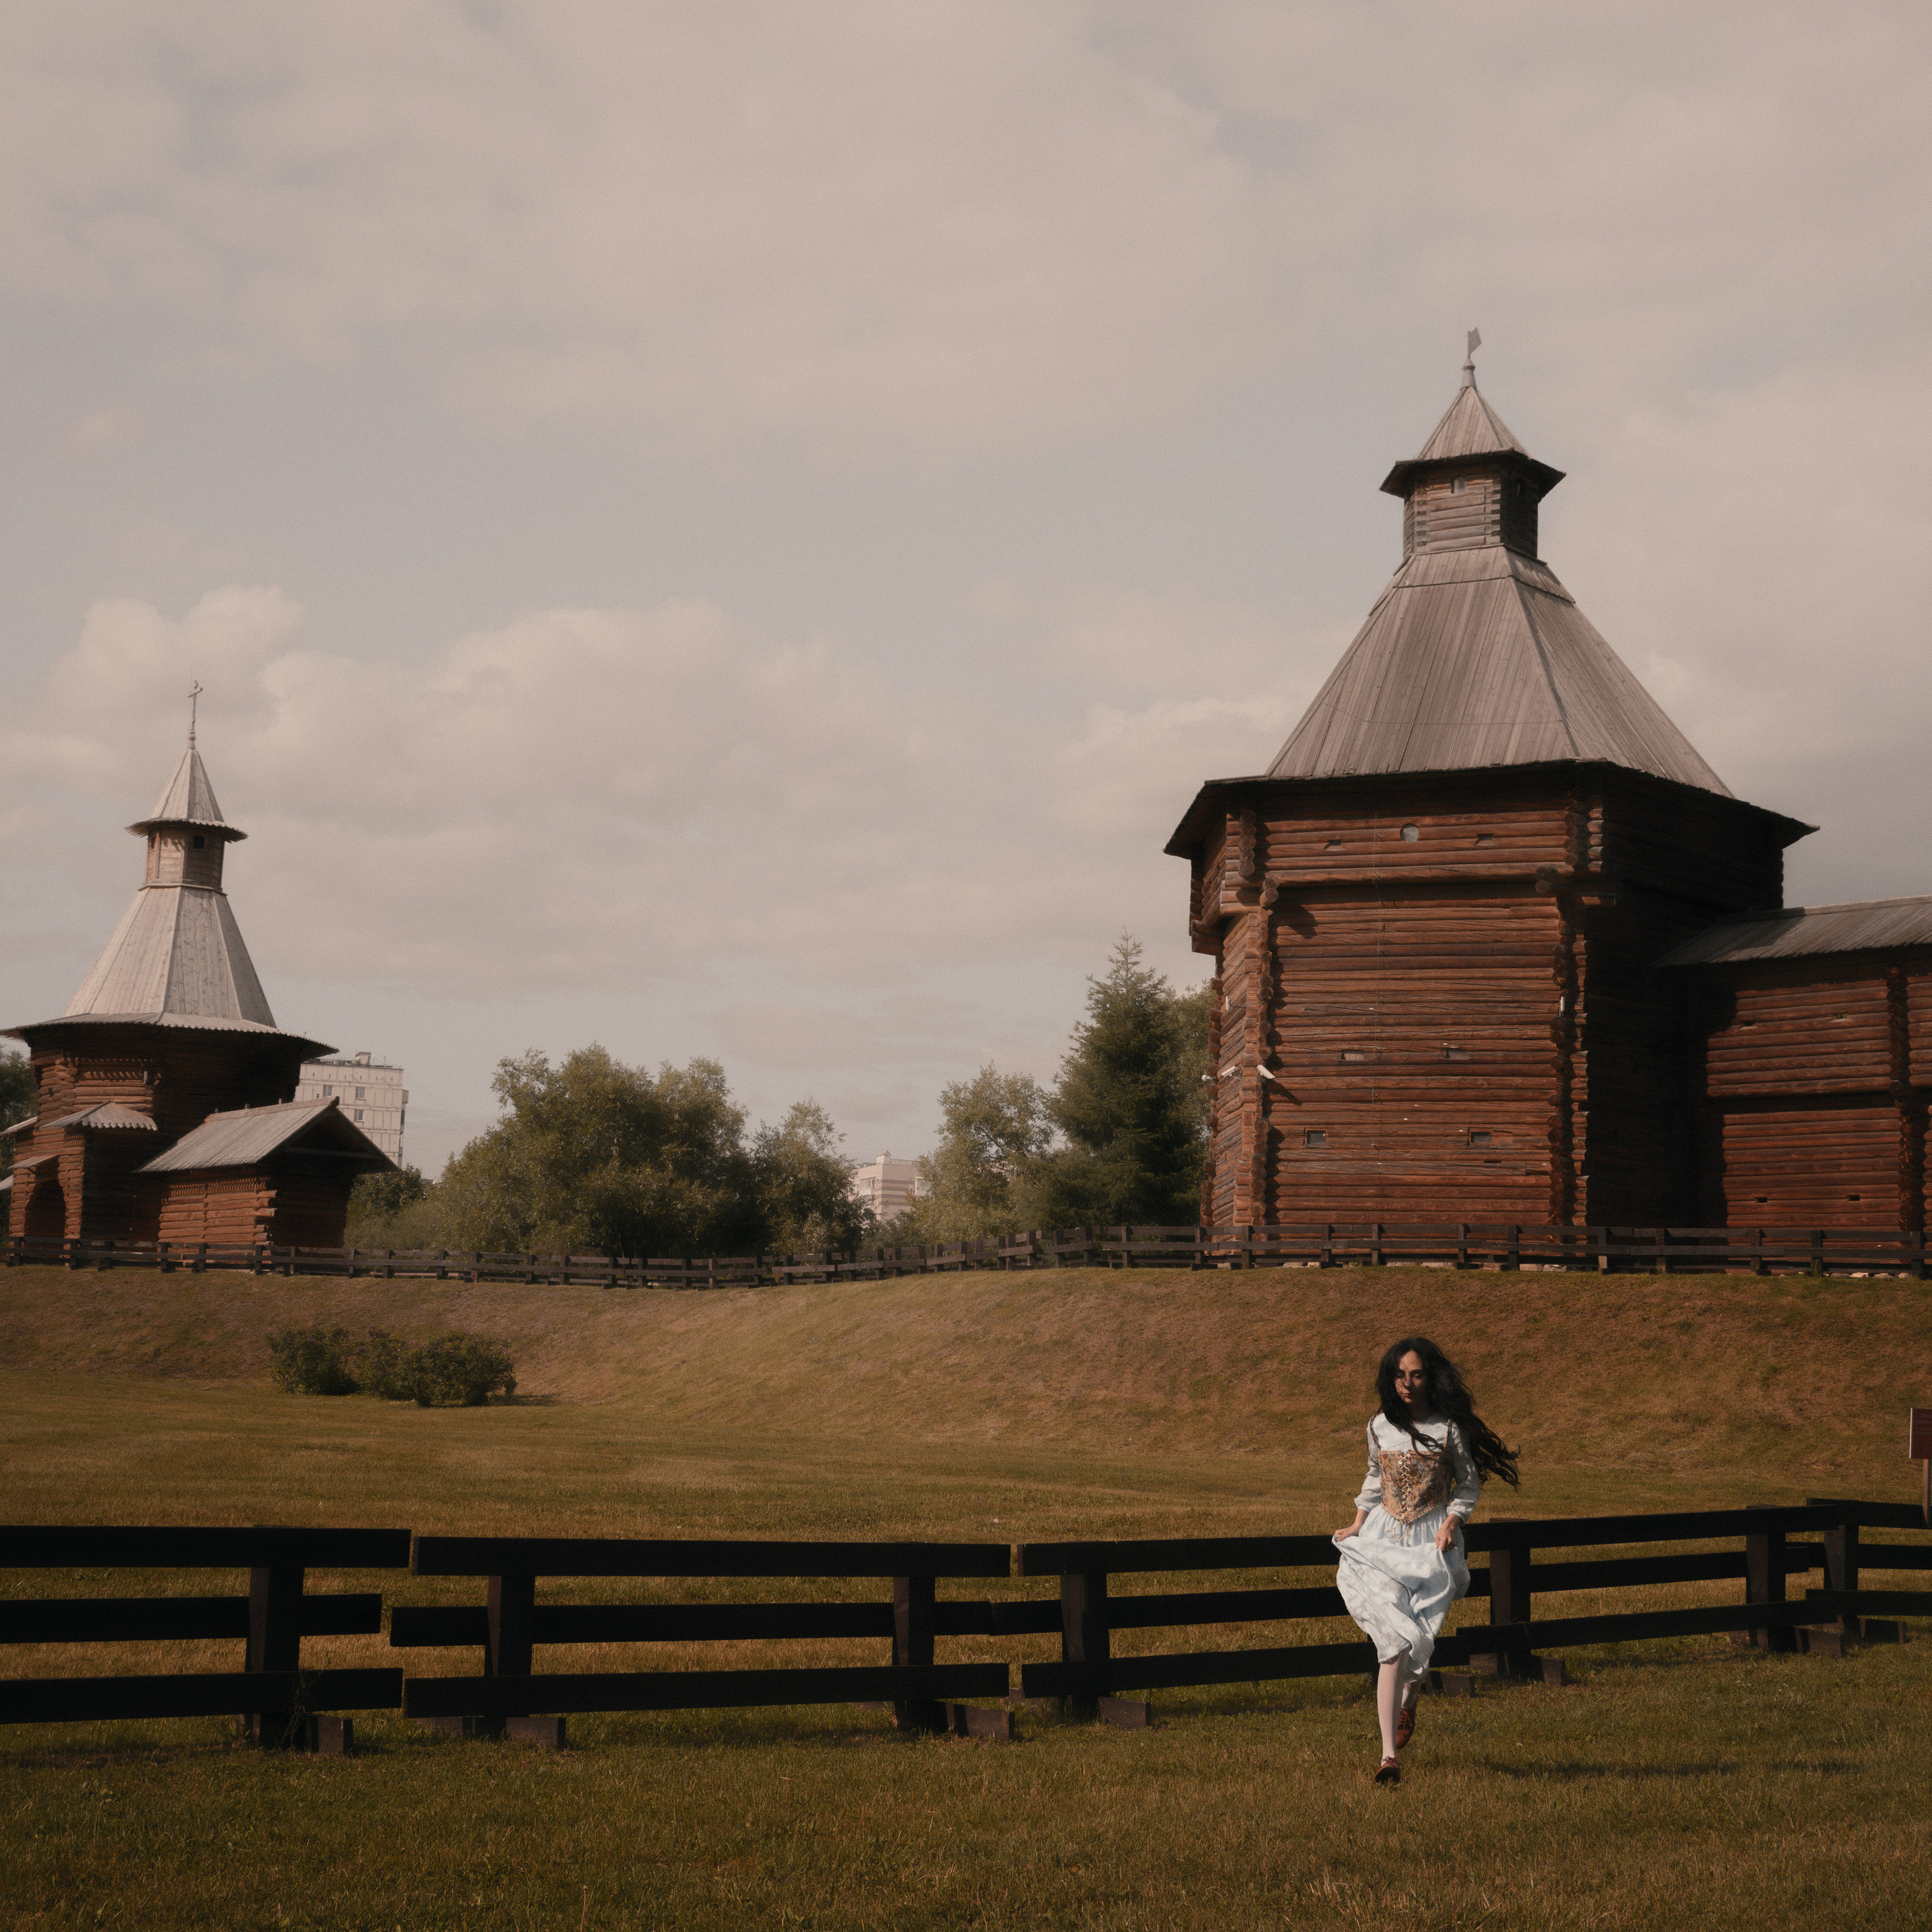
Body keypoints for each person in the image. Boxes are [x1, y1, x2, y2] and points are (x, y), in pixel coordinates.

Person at [1334, 1336, 1519, 1786]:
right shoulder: (1379, 1425)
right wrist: (1358, 1523)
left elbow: (1469, 1486)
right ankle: (1388, 1757)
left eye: (1416, 1374)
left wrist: (1452, 1523)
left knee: (1423, 1636)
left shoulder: (1448, 1429)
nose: (1407, 1383)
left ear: (1429, 1376)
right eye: (1399, 1374)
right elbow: (1375, 1475)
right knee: (1393, 1643)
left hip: (1431, 1544)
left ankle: (1410, 1701)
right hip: (1383, 1537)